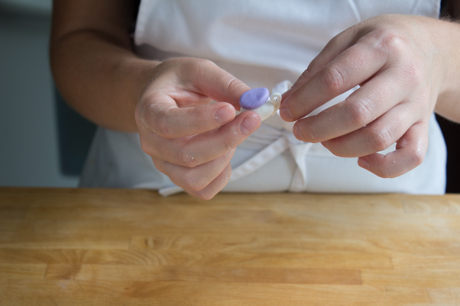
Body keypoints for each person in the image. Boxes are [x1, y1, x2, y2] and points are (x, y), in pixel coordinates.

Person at [50, 0, 460, 199]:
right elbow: (78, 39)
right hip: (153, 189)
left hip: (390, 213)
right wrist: (140, 90)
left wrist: (437, 53)